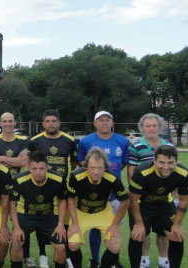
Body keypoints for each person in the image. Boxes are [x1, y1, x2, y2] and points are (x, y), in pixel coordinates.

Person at [76, 111, 130, 268]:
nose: (104, 123)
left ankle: (113, 259)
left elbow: (123, 163)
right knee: (94, 227)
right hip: (93, 192)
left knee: (114, 228)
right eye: (101, 120)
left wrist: (110, 177)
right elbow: (81, 162)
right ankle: (95, 259)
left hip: (114, 193)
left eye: (108, 120)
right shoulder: (86, 141)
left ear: (112, 123)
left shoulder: (122, 141)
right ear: (95, 123)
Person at [27, 109, 77, 268]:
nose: (50, 124)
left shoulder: (69, 140)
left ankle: (66, 254)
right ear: (43, 124)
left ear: (59, 123)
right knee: (43, 219)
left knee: (64, 223)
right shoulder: (35, 141)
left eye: (53, 121)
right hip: (43, 188)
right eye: (47, 121)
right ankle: (42, 255)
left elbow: (74, 162)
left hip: (63, 188)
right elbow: (32, 163)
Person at [128, 145, 188, 268]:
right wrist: (138, 223)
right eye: (162, 162)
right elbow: (133, 199)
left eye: (170, 162)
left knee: (176, 236)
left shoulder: (183, 173)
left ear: (177, 161)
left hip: (164, 205)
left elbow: (184, 200)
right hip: (142, 206)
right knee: (137, 236)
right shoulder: (141, 172)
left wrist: (177, 224)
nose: (166, 167)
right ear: (155, 161)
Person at [67, 148, 129, 268]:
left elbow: (125, 201)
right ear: (86, 166)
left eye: (100, 168)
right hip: (81, 213)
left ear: (105, 167)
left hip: (103, 212)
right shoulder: (76, 176)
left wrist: (115, 225)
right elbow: (70, 199)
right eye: (92, 167)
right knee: (73, 244)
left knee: (115, 246)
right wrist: (74, 223)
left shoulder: (112, 178)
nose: (96, 171)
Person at [127, 113, 172, 268]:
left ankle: (163, 260)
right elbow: (131, 170)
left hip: (163, 199)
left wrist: (175, 193)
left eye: (154, 125)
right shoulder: (136, 146)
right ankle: (144, 259)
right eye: (148, 126)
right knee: (143, 232)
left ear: (159, 127)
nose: (151, 128)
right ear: (142, 128)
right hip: (143, 198)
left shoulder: (169, 146)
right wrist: (135, 192)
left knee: (163, 231)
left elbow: (175, 170)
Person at [9, 152, 68, 268]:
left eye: (41, 168)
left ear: (47, 167)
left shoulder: (58, 179)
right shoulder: (19, 180)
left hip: (48, 216)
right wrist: (16, 228)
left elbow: (62, 201)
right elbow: (12, 203)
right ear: (28, 168)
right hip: (26, 215)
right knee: (16, 243)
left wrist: (61, 224)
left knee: (60, 246)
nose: (38, 172)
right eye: (34, 168)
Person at [0, 112, 29, 267]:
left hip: (19, 186)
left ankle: (26, 255)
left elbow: (24, 161)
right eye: (4, 121)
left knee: (21, 221)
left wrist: (3, 158)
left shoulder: (23, 140)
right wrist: (14, 161)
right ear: (0, 124)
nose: (7, 124)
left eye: (10, 121)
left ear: (15, 123)